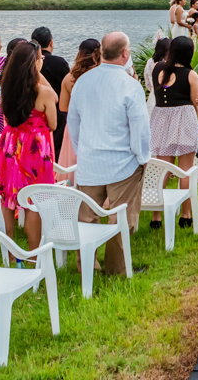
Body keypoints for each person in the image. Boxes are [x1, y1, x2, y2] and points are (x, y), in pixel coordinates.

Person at [69, 32, 152, 276]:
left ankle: (88, 266)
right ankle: (116, 269)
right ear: (125, 53)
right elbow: (140, 127)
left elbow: (74, 123)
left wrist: (81, 150)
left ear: (102, 51)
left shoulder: (83, 81)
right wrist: (142, 158)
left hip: (89, 160)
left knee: (87, 218)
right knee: (121, 218)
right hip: (122, 163)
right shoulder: (130, 85)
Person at [0, 41, 57, 263]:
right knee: (33, 202)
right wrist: (38, 72)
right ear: (34, 63)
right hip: (35, 150)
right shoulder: (43, 92)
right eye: (39, 59)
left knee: (7, 198)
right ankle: (34, 256)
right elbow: (53, 124)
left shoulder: (7, 88)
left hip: (9, 145)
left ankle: (10, 254)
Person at [150, 36, 198, 227]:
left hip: (160, 119)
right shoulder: (190, 74)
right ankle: (185, 215)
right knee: (185, 169)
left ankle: (156, 216)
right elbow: (193, 103)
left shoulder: (157, 69)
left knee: (162, 169)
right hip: (184, 119)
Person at [57, 38, 103, 174]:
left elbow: (63, 107)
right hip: (97, 125)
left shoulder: (69, 78)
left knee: (72, 163)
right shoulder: (101, 76)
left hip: (74, 125)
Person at [31, 27, 71, 160]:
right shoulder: (58, 62)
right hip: (58, 111)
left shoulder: (27, 63)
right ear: (51, 42)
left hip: (32, 110)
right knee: (57, 147)